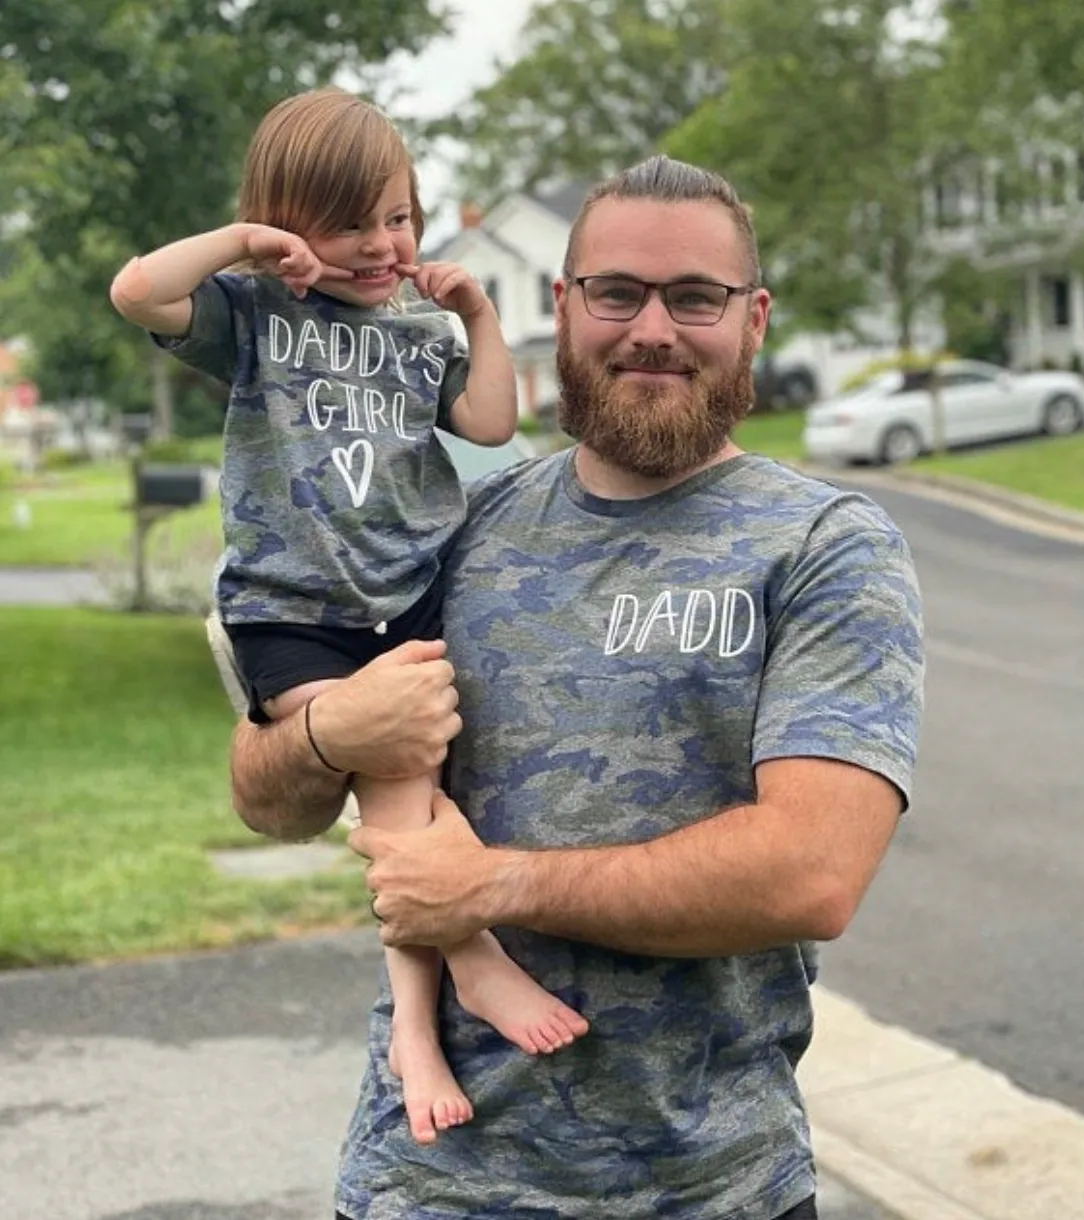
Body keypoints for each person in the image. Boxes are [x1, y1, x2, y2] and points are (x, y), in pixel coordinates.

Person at [229, 154, 925, 1220]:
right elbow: (264, 796)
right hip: (427, 1178)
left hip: (712, 1186)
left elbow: (809, 872)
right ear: (562, 308)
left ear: (754, 318)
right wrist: (326, 732)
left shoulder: (823, 548)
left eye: (694, 296)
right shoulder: (456, 531)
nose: (652, 328)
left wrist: (490, 886)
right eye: (615, 292)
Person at [108, 86, 589, 1147]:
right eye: (349, 223)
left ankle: (415, 1027)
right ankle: (466, 960)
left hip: (401, 592)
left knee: (399, 791)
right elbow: (137, 291)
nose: (380, 244)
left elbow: (493, 419)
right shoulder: (254, 317)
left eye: (397, 216)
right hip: (293, 608)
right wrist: (242, 242)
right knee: (395, 775)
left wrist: (477, 314)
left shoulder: (420, 330)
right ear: (286, 225)